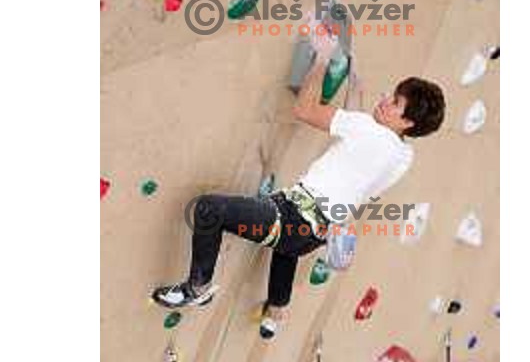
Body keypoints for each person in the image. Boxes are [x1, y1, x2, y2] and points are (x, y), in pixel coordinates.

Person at [152, 25, 446, 339]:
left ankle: (198, 287)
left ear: (407, 122)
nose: (386, 100)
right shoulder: (403, 157)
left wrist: (321, 58)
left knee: (211, 209)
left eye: (395, 103)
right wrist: (355, 91)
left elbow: (305, 110)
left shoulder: (366, 129)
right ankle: (276, 311)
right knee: (287, 246)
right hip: (316, 233)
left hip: (292, 217)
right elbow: (366, 167)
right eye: (392, 94)